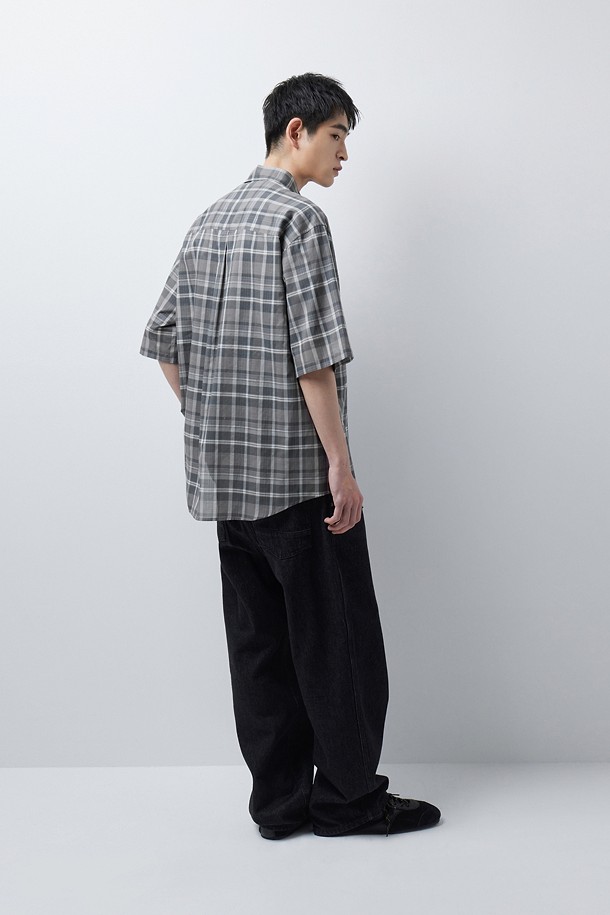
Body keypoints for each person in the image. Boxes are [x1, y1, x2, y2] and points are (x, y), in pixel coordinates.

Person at [140, 73, 441, 839]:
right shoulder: (298, 221)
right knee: (338, 645)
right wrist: (340, 464)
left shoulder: (210, 219)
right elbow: (314, 356)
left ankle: (277, 806)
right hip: (298, 485)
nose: (344, 154)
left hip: (225, 486)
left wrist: (207, 413)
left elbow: (162, 337)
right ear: (297, 130)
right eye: (337, 135)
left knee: (260, 650)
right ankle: (347, 800)